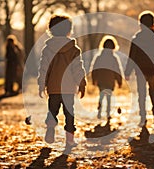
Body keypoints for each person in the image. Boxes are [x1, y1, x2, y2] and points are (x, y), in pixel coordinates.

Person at [37, 14, 86, 151]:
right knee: (69, 113)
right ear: (69, 30)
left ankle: (51, 127)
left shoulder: (47, 49)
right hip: (69, 89)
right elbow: (78, 68)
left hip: (53, 88)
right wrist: (82, 83)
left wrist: (42, 84)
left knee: (52, 110)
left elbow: (44, 68)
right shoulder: (74, 49)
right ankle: (69, 141)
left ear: (51, 29)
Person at [124, 10, 154, 125]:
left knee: (141, 93)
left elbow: (132, 57)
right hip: (153, 69)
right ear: (153, 24)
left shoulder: (137, 38)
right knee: (153, 91)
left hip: (140, 70)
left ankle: (143, 117)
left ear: (140, 24)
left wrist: (127, 71)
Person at [91, 35, 123, 119]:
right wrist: (119, 81)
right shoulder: (114, 58)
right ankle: (108, 114)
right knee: (108, 97)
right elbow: (117, 70)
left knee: (101, 95)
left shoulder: (99, 57)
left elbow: (94, 69)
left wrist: (94, 79)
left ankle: (99, 111)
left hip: (101, 80)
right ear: (113, 47)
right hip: (110, 80)